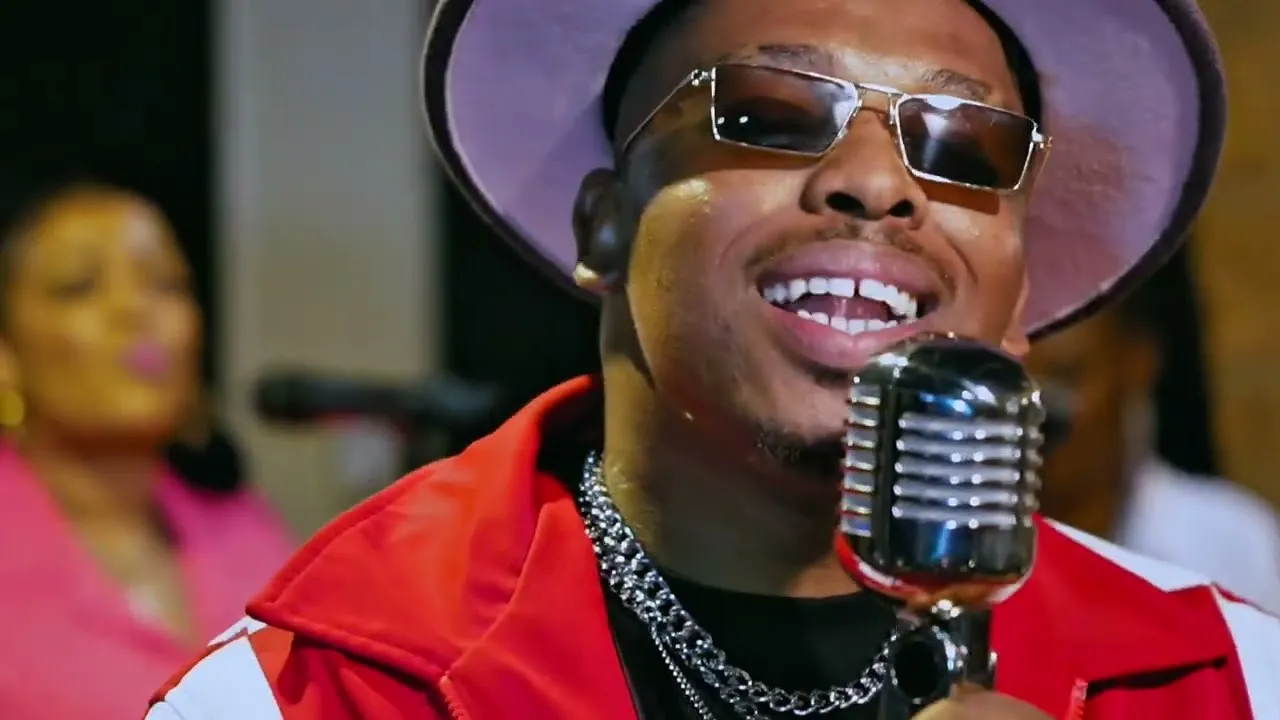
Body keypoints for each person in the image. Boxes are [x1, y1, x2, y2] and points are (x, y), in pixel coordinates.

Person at [150, 0, 1280, 718]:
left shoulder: (1224, 676)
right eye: (772, 113)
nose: (877, 183)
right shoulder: (310, 696)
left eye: (963, 147)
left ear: (1020, 295)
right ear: (603, 227)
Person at [0, 175, 294, 720]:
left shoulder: (247, 530)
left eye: (165, 284)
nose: (135, 309)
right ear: (6, 355)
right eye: (79, 286)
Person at [1028, 261, 1280, 614]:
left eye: (1066, 379)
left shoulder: (1232, 543)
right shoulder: (969, 555)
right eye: (1020, 384)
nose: (1040, 414)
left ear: (1137, 361)